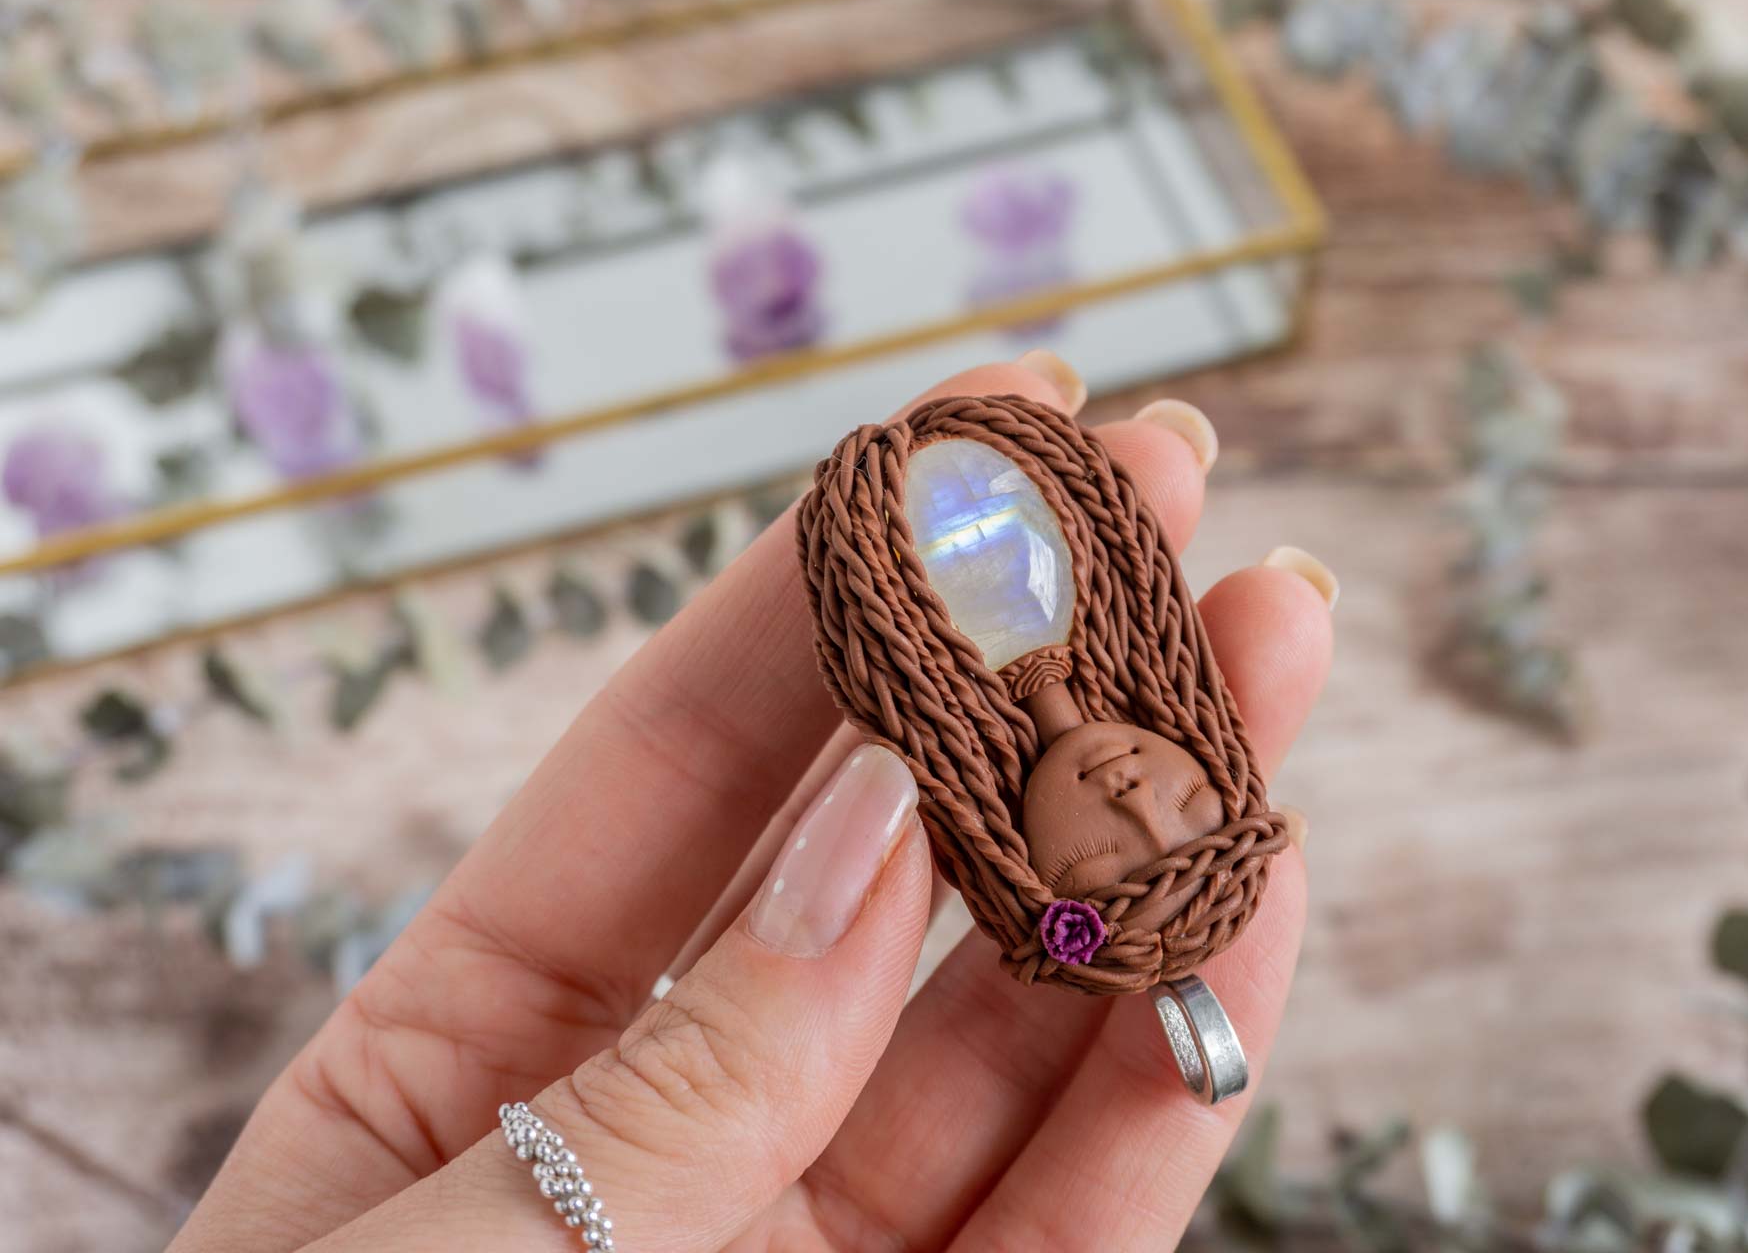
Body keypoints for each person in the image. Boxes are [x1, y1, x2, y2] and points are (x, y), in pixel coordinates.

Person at [165, 355, 1336, 1252]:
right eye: (1170, 808)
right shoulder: (993, 649)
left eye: (1153, 823)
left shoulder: (1066, 673)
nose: (1133, 797)